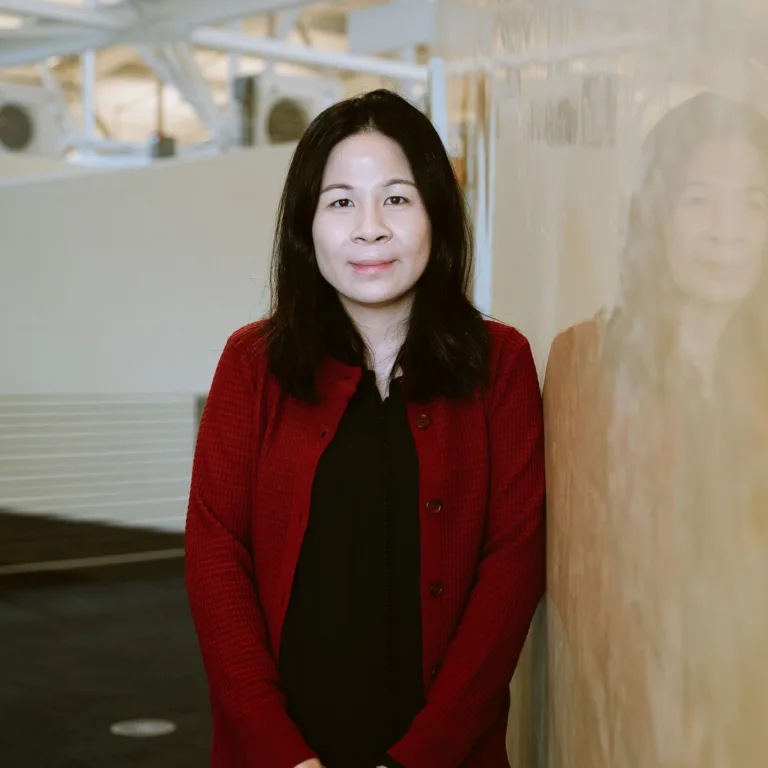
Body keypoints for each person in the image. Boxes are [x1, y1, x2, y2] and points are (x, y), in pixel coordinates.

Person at [185, 89, 546, 768]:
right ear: (306, 225)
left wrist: (423, 755)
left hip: (443, 751)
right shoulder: (251, 364)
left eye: (398, 198)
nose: (370, 228)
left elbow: (513, 564)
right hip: (282, 750)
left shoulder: (500, 363)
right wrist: (280, 753)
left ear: (438, 213)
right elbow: (216, 553)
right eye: (341, 201)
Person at [544, 92, 768, 767]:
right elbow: (593, 595)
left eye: (753, 203)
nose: (726, 230)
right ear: (655, 218)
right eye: (698, 200)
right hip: (642, 734)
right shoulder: (589, 360)